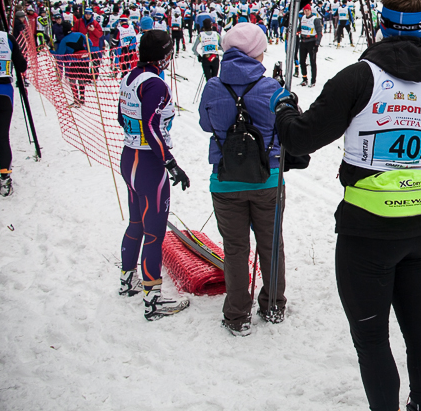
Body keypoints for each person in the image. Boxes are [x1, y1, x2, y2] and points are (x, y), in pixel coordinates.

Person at [273, 0, 421, 411]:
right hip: (420, 226)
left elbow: (300, 138)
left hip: (366, 230)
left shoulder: (359, 76)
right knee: (419, 326)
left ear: (381, 25)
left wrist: (284, 108)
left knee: (371, 337)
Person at [198, 22, 297, 335]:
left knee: (236, 248)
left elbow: (205, 122)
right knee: (271, 245)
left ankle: (237, 314)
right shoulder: (271, 88)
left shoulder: (213, 86)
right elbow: (290, 128)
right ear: (257, 52)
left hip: (226, 182)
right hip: (267, 180)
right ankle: (273, 306)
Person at [117, 30, 191, 320]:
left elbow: (121, 116)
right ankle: (153, 299)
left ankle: (127, 280)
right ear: (163, 55)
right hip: (148, 163)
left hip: (130, 158)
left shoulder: (130, 76)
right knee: (154, 232)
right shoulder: (156, 84)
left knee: (136, 221)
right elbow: (151, 127)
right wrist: (170, 163)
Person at [0, 22, 28, 196]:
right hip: (3, 94)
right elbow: (22, 66)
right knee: (1, 137)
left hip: (3, 92)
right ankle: (5, 179)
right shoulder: (6, 38)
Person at [297, 4, 323, 87]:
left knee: (312, 62)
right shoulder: (302, 18)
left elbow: (319, 32)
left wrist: (317, 43)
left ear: (310, 10)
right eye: (305, 11)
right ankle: (304, 78)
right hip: (303, 41)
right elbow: (299, 28)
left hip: (312, 42)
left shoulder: (315, 19)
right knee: (302, 61)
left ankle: (313, 80)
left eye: (307, 10)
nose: (306, 12)